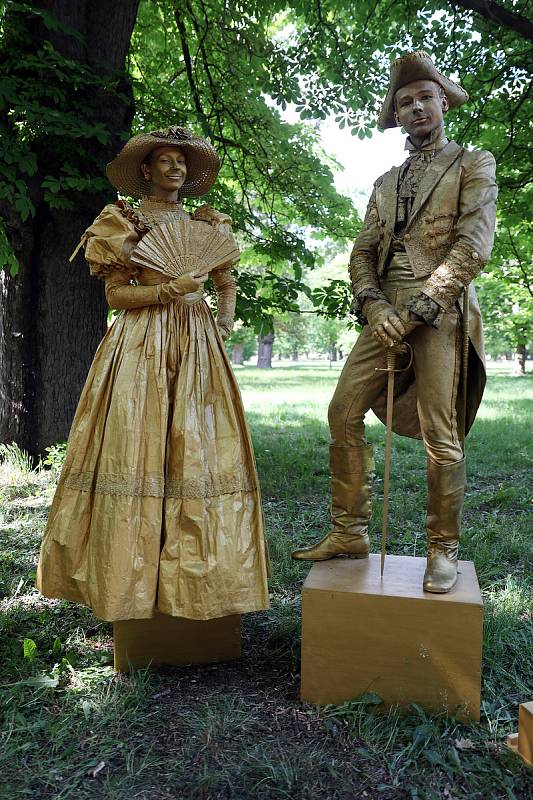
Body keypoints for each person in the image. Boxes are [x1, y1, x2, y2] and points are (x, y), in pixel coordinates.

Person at [37, 126, 269, 621]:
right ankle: (128, 580)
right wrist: (167, 291)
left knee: (195, 444)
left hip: (197, 341)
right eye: (165, 160)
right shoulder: (124, 222)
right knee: (136, 442)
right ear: (145, 170)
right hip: (141, 342)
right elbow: (116, 296)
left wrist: (223, 320)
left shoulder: (207, 224)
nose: (175, 167)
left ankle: (195, 579)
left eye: (182, 161)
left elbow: (225, 282)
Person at [292, 52, 497, 593]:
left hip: (439, 310)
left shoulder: (473, 164)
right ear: (397, 116)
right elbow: (361, 254)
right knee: (342, 412)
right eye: (405, 102)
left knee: (440, 434)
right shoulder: (383, 182)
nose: (417, 107)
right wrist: (376, 307)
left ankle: (442, 550)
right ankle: (349, 531)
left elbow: (473, 247)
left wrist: (414, 312)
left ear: (443, 102)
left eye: (426, 97)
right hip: (385, 312)